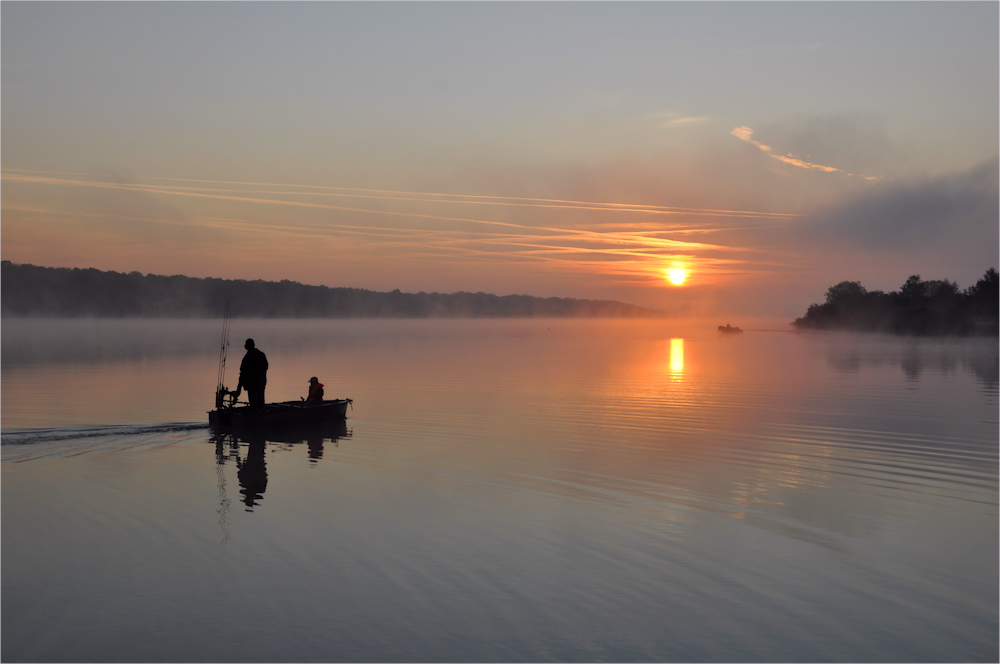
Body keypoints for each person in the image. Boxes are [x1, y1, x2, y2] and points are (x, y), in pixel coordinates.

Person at [234, 338, 268, 410]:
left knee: (254, 406)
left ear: (246, 347)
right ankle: (262, 416)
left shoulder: (247, 358)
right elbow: (266, 367)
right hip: (261, 384)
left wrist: (239, 388)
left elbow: (242, 374)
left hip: (252, 386)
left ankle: (255, 417)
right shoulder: (261, 355)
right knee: (261, 404)